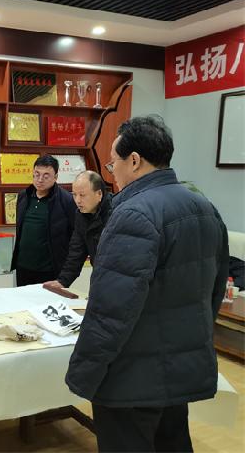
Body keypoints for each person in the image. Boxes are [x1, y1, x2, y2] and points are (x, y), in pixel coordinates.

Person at [65, 116, 229, 452]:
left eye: (113, 163)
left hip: (132, 378)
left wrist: (84, 372)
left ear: (135, 160)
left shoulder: (133, 214)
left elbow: (111, 309)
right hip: (177, 368)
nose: (112, 171)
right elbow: (214, 291)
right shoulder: (203, 207)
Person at [10, 154, 76, 286]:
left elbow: (75, 235)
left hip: (50, 270)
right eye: (37, 174)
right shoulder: (23, 196)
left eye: (46, 176)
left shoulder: (66, 200)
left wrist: (67, 272)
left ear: (56, 177)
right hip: (23, 267)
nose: (40, 180)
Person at [43, 170, 112, 290]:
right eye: (74, 195)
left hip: (121, 279)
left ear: (99, 194)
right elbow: (76, 251)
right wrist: (63, 281)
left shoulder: (116, 214)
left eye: (82, 195)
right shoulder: (81, 215)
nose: (78, 200)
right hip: (99, 277)